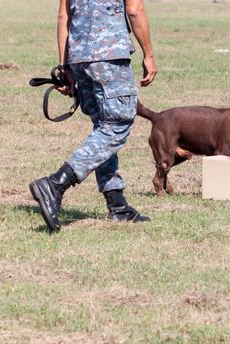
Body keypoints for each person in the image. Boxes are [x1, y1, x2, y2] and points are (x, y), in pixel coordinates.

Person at [29, 0, 157, 232]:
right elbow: (134, 9)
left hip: (79, 58)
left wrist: (65, 65)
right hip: (109, 56)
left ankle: (117, 205)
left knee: (103, 127)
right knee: (116, 125)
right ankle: (56, 184)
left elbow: (63, 17)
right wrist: (148, 54)